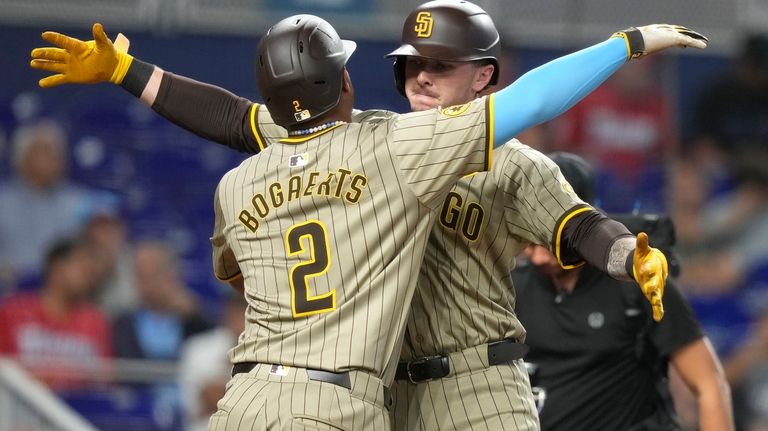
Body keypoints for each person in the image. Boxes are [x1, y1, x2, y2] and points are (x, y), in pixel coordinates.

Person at [29, 5, 707, 430]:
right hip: (378, 397)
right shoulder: (371, 137)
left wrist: (626, 255)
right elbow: (239, 118)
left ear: (483, 78)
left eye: (438, 66)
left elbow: (577, 225)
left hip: (474, 383)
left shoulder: (513, 162)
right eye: (409, 65)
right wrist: (127, 68)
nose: (418, 77)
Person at [513, 152, 734, 431]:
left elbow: (709, 385)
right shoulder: (513, 287)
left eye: (551, 243)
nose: (538, 258)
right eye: (529, 242)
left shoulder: (641, 282)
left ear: (584, 226)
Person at [0, 119, 108, 290]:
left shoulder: (79, 201)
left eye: (55, 152)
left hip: (67, 299)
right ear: (22, 159)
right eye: (42, 151)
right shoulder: (3, 202)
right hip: (10, 297)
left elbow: (102, 246)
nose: (52, 159)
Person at [0, 236, 111, 391]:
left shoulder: (96, 321)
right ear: (57, 267)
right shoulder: (13, 311)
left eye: (91, 266)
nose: (89, 272)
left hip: (76, 409)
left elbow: (103, 381)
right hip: (20, 407)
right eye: (81, 263)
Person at [111, 239, 210, 361]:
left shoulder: (192, 320)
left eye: (149, 276)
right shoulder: (124, 324)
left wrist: (194, 315)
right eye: (139, 275)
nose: (142, 285)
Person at [178, 292, 247, 431]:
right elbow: (208, 397)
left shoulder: (273, 350)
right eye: (237, 309)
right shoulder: (198, 347)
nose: (241, 316)